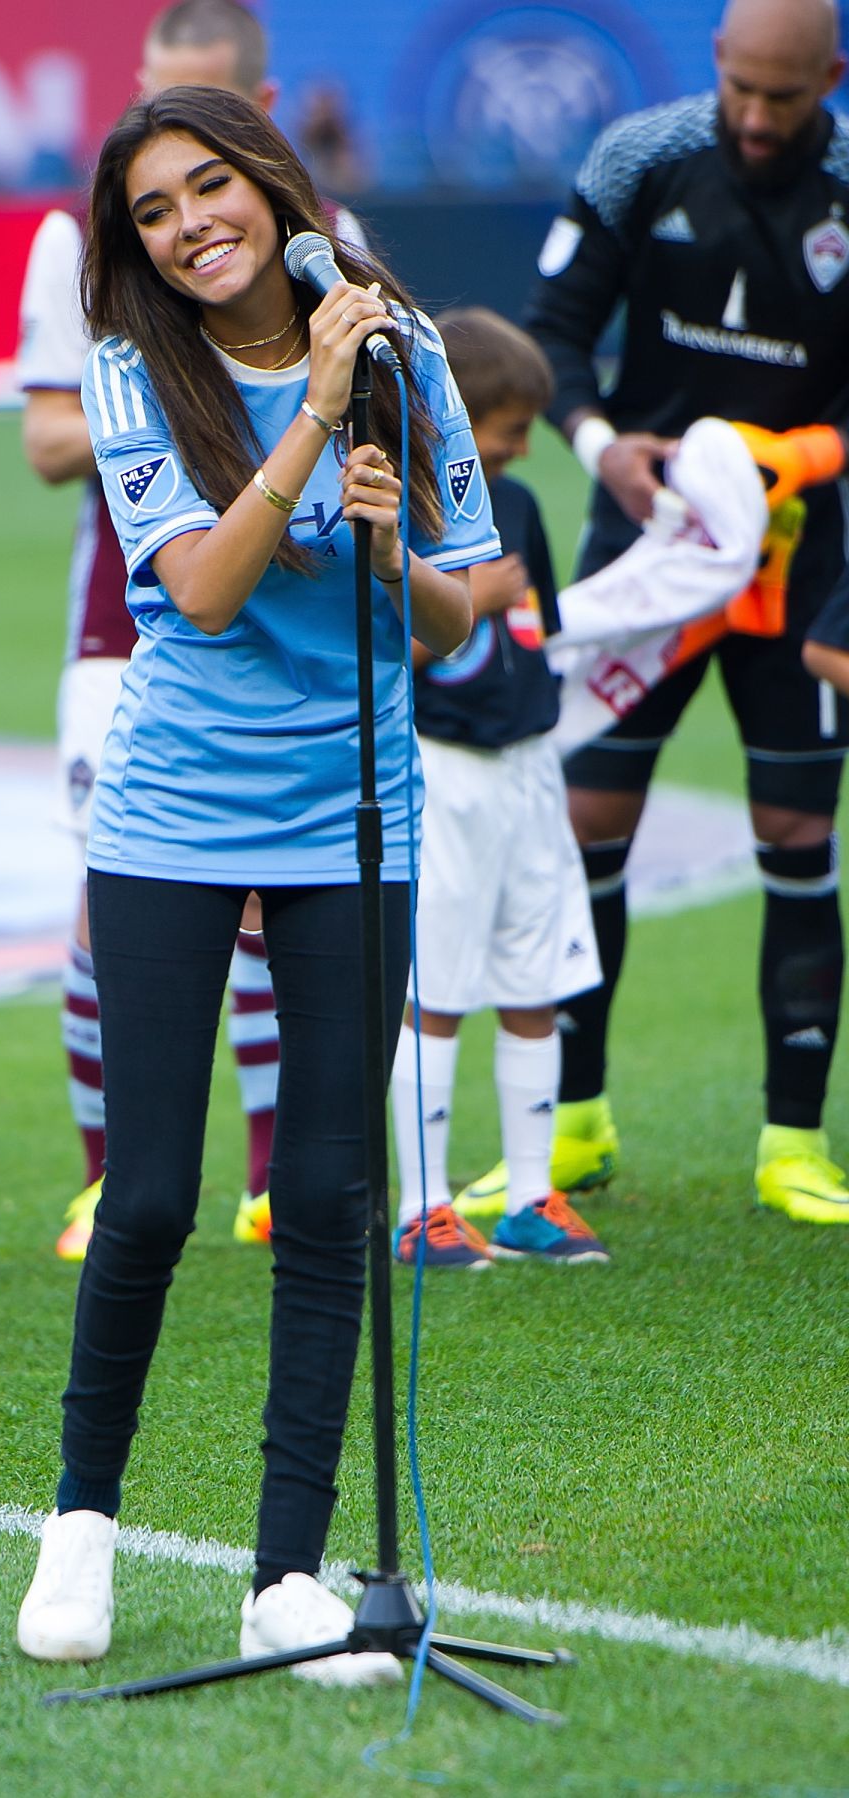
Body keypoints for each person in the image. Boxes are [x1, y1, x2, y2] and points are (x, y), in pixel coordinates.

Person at [15, 85, 490, 1680]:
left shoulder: (405, 352)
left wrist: (386, 555)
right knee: (147, 1193)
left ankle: (287, 1571)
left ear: (272, 188)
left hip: (362, 807)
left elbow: (460, 619)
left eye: (208, 187)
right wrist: (311, 418)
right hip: (172, 814)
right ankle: (81, 1522)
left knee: (332, 1197)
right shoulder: (131, 367)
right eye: (153, 211)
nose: (187, 226)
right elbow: (204, 597)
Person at [18, 0, 364, 1260]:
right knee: (107, 903)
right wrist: (165, 440)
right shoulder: (83, 243)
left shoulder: (340, 257)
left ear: (258, 121)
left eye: (200, 129)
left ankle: (275, 1181)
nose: (167, 188)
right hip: (129, 617)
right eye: (142, 105)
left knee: (285, 900)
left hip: (310, 631)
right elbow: (48, 434)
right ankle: (105, 1183)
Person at [516, 0, 849, 1226]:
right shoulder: (635, 156)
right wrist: (601, 445)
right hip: (646, 554)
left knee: (796, 839)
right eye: (744, 91)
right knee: (590, 824)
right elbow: (550, 334)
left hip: (804, 564)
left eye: (787, 96)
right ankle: (578, 1124)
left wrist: (803, 457)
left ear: (833, 76)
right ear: (716, 64)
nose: (760, 119)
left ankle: (792, 1143)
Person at [389, 308, 608, 1270]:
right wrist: (468, 600)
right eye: (507, 427)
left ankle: (529, 1194)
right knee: (435, 987)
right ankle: (424, 1206)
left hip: (528, 768)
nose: (520, 447)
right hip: (445, 770)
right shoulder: (400, 505)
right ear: (447, 416)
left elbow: (543, 632)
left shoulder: (515, 507)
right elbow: (369, 656)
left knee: (538, 977)